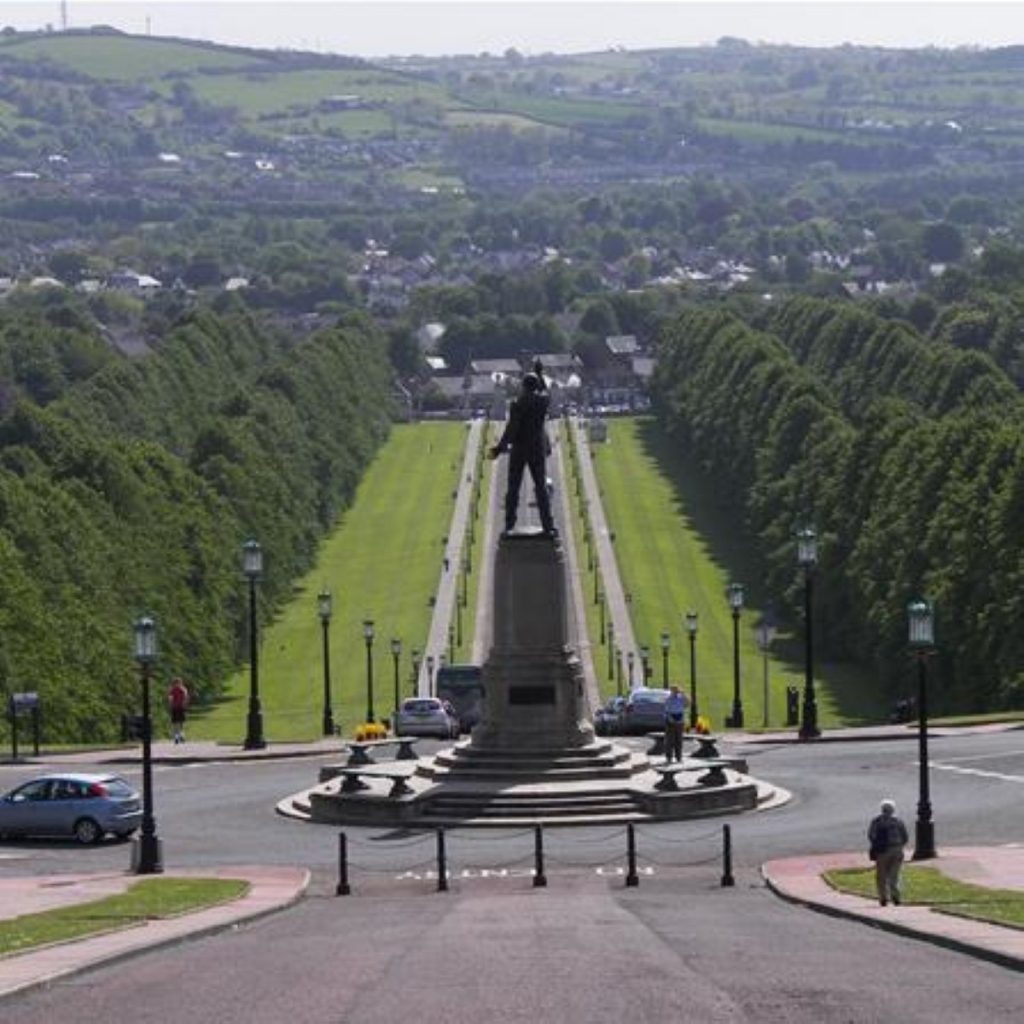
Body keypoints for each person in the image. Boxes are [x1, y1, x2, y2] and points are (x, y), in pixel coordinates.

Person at [488, 360, 556, 537]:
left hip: (520, 449)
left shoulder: (518, 404)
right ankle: (548, 525)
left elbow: (512, 429)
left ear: (524, 387)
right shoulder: (543, 402)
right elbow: (544, 390)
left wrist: (499, 448)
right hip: (537, 448)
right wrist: (539, 373)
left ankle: (510, 525)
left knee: (513, 488)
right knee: (541, 488)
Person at [868, 798, 909, 906]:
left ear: (882, 809)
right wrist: (899, 845)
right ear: (893, 810)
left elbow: (871, 836)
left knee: (881, 875)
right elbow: (905, 837)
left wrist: (876, 846)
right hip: (897, 850)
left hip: (882, 851)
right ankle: (895, 896)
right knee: (894, 875)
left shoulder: (877, 821)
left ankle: (883, 897)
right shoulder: (898, 821)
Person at [664, 684, 687, 762]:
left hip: (680, 719)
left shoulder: (681, 698)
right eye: (674, 690)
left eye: (677, 690)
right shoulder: (668, 699)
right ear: (671, 691)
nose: (676, 692)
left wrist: (684, 694)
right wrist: (671, 719)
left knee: (679, 740)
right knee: (670, 740)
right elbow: (667, 711)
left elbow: (688, 704)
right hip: (671, 719)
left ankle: (679, 757)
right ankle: (669, 757)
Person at [167, 677, 190, 744]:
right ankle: (180, 736)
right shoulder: (183, 689)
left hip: (175, 707)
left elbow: (170, 699)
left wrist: (170, 705)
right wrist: (185, 705)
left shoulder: (172, 690)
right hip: (180, 707)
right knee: (180, 723)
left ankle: (177, 736)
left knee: (176, 723)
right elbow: (186, 698)